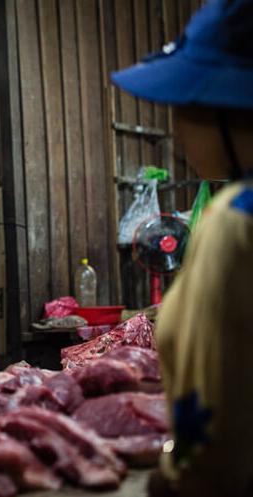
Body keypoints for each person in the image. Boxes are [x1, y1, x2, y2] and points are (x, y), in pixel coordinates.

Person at [111, 1, 253, 495]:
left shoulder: (235, 222)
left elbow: (213, 449)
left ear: (225, 109)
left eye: (183, 107)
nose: (176, 129)